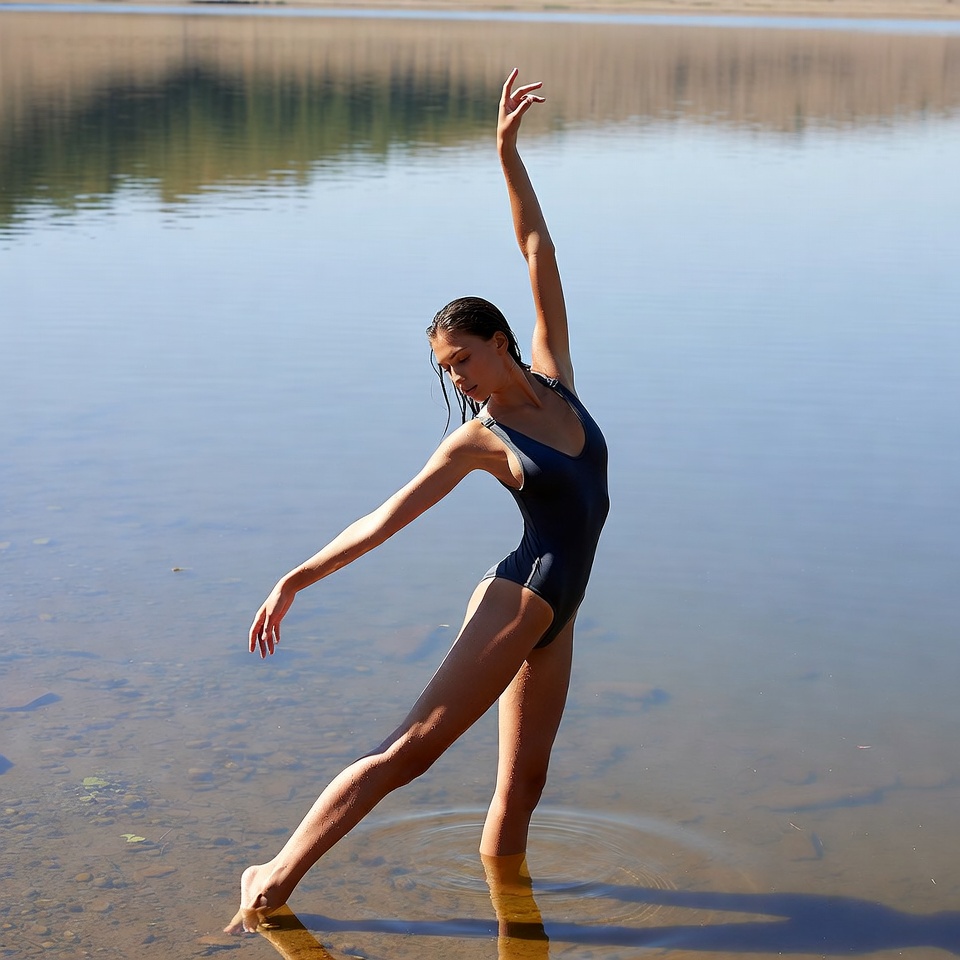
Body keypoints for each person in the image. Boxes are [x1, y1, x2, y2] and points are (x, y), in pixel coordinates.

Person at [226, 68, 609, 936]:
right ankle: (272, 879)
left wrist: (506, 155)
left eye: (465, 360)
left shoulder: (559, 384)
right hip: (519, 600)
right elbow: (385, 520)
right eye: (447, 371)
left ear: (500, 342)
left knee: (526, 784)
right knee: (410, 752)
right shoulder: (482, 442)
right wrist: (296, 576)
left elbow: (538, 250)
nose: (460, 380)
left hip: (562, 612)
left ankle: (514, 919)